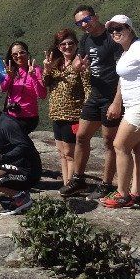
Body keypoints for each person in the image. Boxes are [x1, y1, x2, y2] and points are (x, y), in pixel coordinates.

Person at [99, 16, 140, 209]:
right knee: (139, 148)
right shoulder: (127, 51)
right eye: (111, 30)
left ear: (129, 29)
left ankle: (122, 194)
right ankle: (137, 194)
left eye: (119, 28)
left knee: (120, 145)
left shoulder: (139, 48)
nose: (115, 32)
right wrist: (117, 102)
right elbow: (124, 79)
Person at [63, 5, 123, 197]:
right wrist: (77, 65)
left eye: (87, 19)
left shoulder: (112, 39)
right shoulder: (86, 39)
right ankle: (78, 180)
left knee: (109, 142)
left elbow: (123, 73)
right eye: (79, 23)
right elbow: (77, 61)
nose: (84, 25)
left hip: (111, 97)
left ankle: (106, 185)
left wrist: (117, 102)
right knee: (81, 137)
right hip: (95, 95)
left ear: (96, 17)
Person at [43, 29, 92, 192]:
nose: (67, 46)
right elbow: (46, 84)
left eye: (71, 43)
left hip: (73, 115)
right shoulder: (56, 64)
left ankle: (72, 185)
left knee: (70, 153)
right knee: (62, 153)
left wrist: (86, 112)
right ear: (58, 47)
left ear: (76, 45)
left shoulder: (80, 63)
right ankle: (66, 184)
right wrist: (46, 70)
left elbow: (88, 89)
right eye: (63, 44)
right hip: (56, 114)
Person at [0, 40, 46, 134]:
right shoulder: (12, 70)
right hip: (11, 114)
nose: (19, 56)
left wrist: (33, 76)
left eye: (22, 52)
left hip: (28, 117)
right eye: (15, 54)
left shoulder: (36, 70)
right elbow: (3, 89)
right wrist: (9, 76)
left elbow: (42, 95)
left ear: (28, 54)